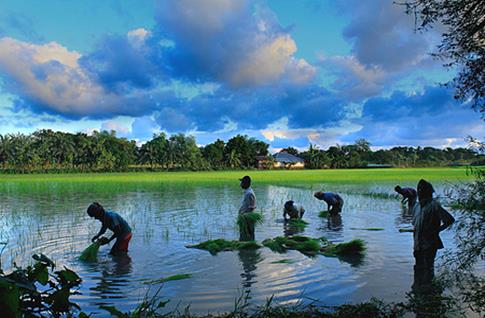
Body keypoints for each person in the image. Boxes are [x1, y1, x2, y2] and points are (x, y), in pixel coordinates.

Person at [412, 179, 455, 285]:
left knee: (428, 268)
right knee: (418, 268)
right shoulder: (416, 206)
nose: (419, 191)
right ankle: (418, 290)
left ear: (428, 192)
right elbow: (415, 224)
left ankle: (429, 292)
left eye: (422, 189)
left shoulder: (434, 206)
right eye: (418, 188)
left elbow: (449, 220)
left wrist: (436, 231)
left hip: (430, 243)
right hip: (417, 243)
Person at [238, 176, 256, 241]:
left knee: (247, 235)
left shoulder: (249, 194)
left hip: (247, 219)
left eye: (242, 183)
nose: (240, 184)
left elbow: (251, 208)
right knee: (244, 235)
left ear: (245, 184)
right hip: (244, 217)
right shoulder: (247, 192)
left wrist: (245, 218)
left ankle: (248, 249)